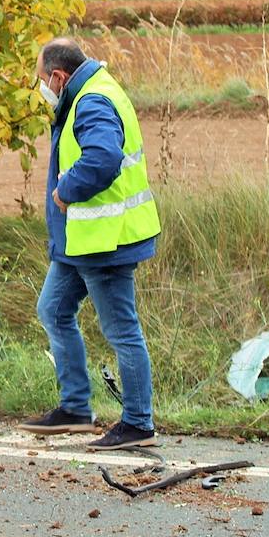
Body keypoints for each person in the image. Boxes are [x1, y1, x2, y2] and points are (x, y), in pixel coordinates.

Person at [18, 37, 161, 450]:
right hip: (81, 241)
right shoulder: (92, 90)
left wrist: (66, 191)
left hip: (105, 241)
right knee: (53, 309)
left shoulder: (92, 101)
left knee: (121, 330)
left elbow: (102, 159)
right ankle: (75, 409)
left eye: (42, 79)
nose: (42, 87)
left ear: (58, 76)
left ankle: (138, 424)